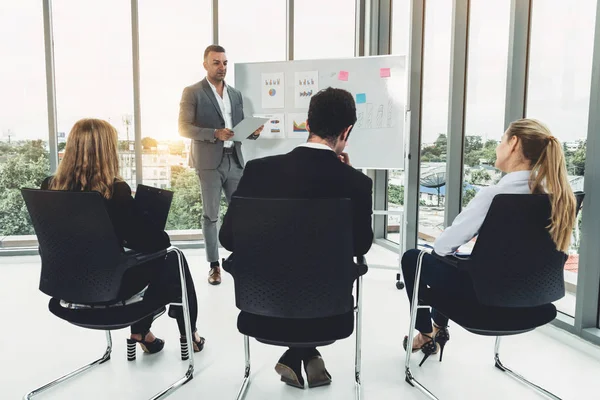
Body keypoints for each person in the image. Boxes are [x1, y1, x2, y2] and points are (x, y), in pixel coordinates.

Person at [219, 87, 373, 389]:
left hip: (262, 310)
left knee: (293, 272)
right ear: (347, 130)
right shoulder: (356, 182)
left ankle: (296, 354)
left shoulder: (257, 172)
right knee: (309, 278)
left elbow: (228, 239)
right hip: (329, 314)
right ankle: (306, 353)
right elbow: (361, 247)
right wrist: (349, 178)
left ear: (307, 123)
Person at [401, 118, 577, 364]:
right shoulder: (561, 198)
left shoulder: (494, 195)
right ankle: (438, 327)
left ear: (514, 143)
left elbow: (443, 247)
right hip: (535, 303)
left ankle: (427, 332)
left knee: (415, 258)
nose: (497, 147)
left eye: (501, 140)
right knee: (459, 262)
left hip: (484, 304)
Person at [42, 118, 205, 356]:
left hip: (66, 288)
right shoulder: (114, 190)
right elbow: (157, 243)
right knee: (173, 259)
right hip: (108, 289)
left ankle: (143, 334)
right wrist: (138, 213)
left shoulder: (49, 187)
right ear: (107, 151)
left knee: (155, 262)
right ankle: (188, 335)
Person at [178, 44, 263, 285]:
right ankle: (214, 265)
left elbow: (239, 129)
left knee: (242, 213)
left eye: (225, 63)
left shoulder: (235, 95)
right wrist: (215, 133)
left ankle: (242, 259)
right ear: (205, 64)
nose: (221, 67)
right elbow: (183, 128)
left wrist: (253, 132)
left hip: (234, 160)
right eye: (216, 62)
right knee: (211, 216)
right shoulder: (192, 92)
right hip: (208, 163)